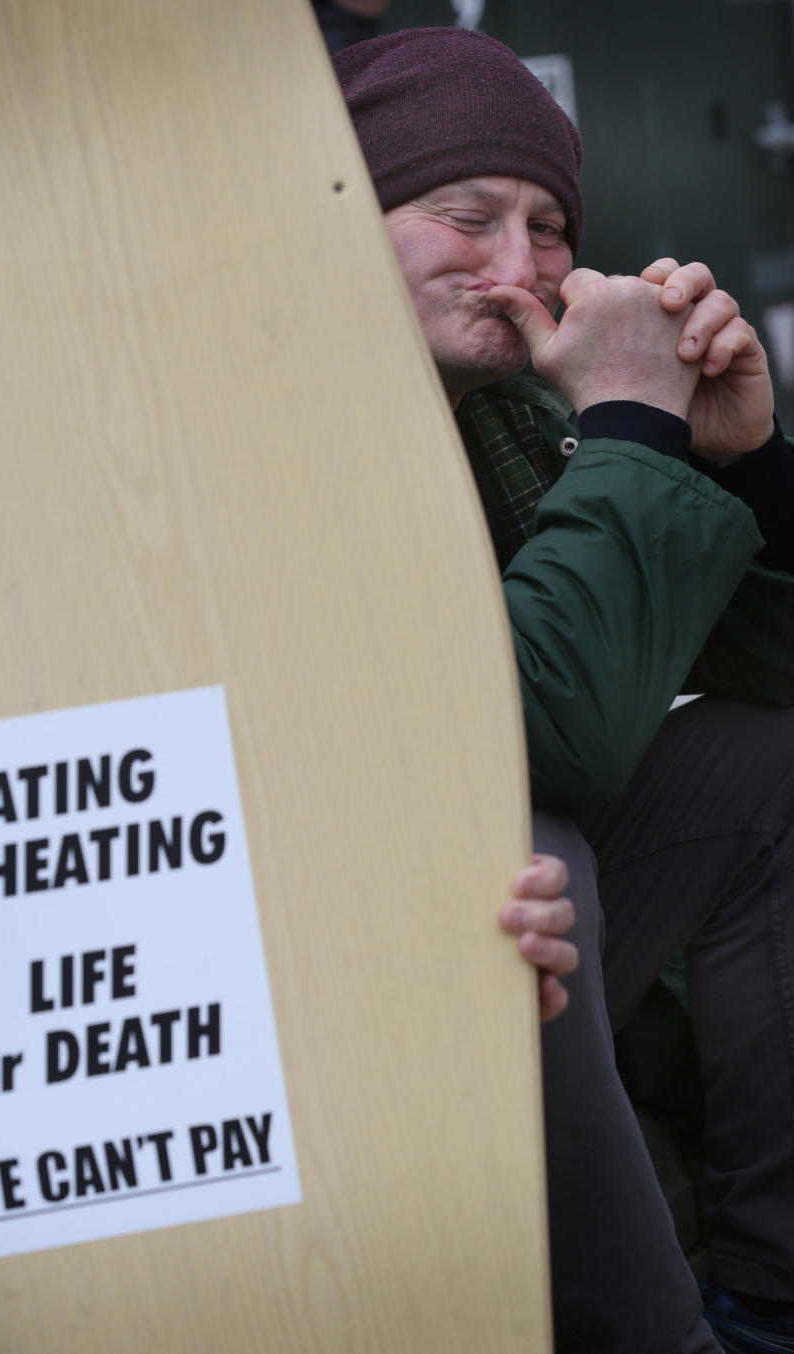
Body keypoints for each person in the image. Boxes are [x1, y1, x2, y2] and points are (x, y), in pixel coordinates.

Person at [334, 27, 794, 1354]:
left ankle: (768, 1292)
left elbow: (758, 668)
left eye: (548, 226)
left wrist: (743, 458)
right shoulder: (297, 417)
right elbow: (544, 744)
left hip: (466, 908)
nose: (518, 265)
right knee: (537, 860)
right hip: (331, 964)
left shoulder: (511, 413)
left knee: (769, 764)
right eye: (466, 215)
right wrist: (635, 426)